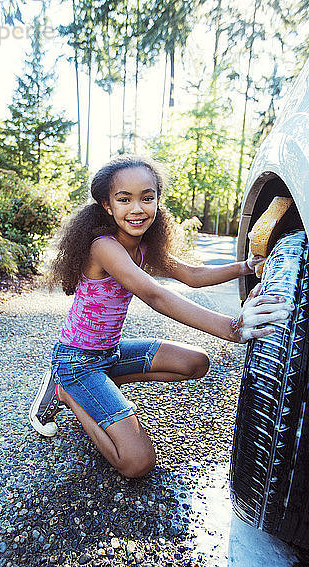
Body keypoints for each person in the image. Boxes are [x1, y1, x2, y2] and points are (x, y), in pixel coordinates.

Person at [29, 155, 293, 479]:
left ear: (157, 200)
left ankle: (95, 388)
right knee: (137, 463)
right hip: (77, 362)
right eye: (124, 199)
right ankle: (66, 392)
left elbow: (193, 275)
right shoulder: (104, 247)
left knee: (197, 363)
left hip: (109, 354)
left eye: (147, 197)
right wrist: (232, 328)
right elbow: (154, 294)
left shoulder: (143, 247)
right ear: (107, 205)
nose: (137, 209)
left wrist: (245, 267)